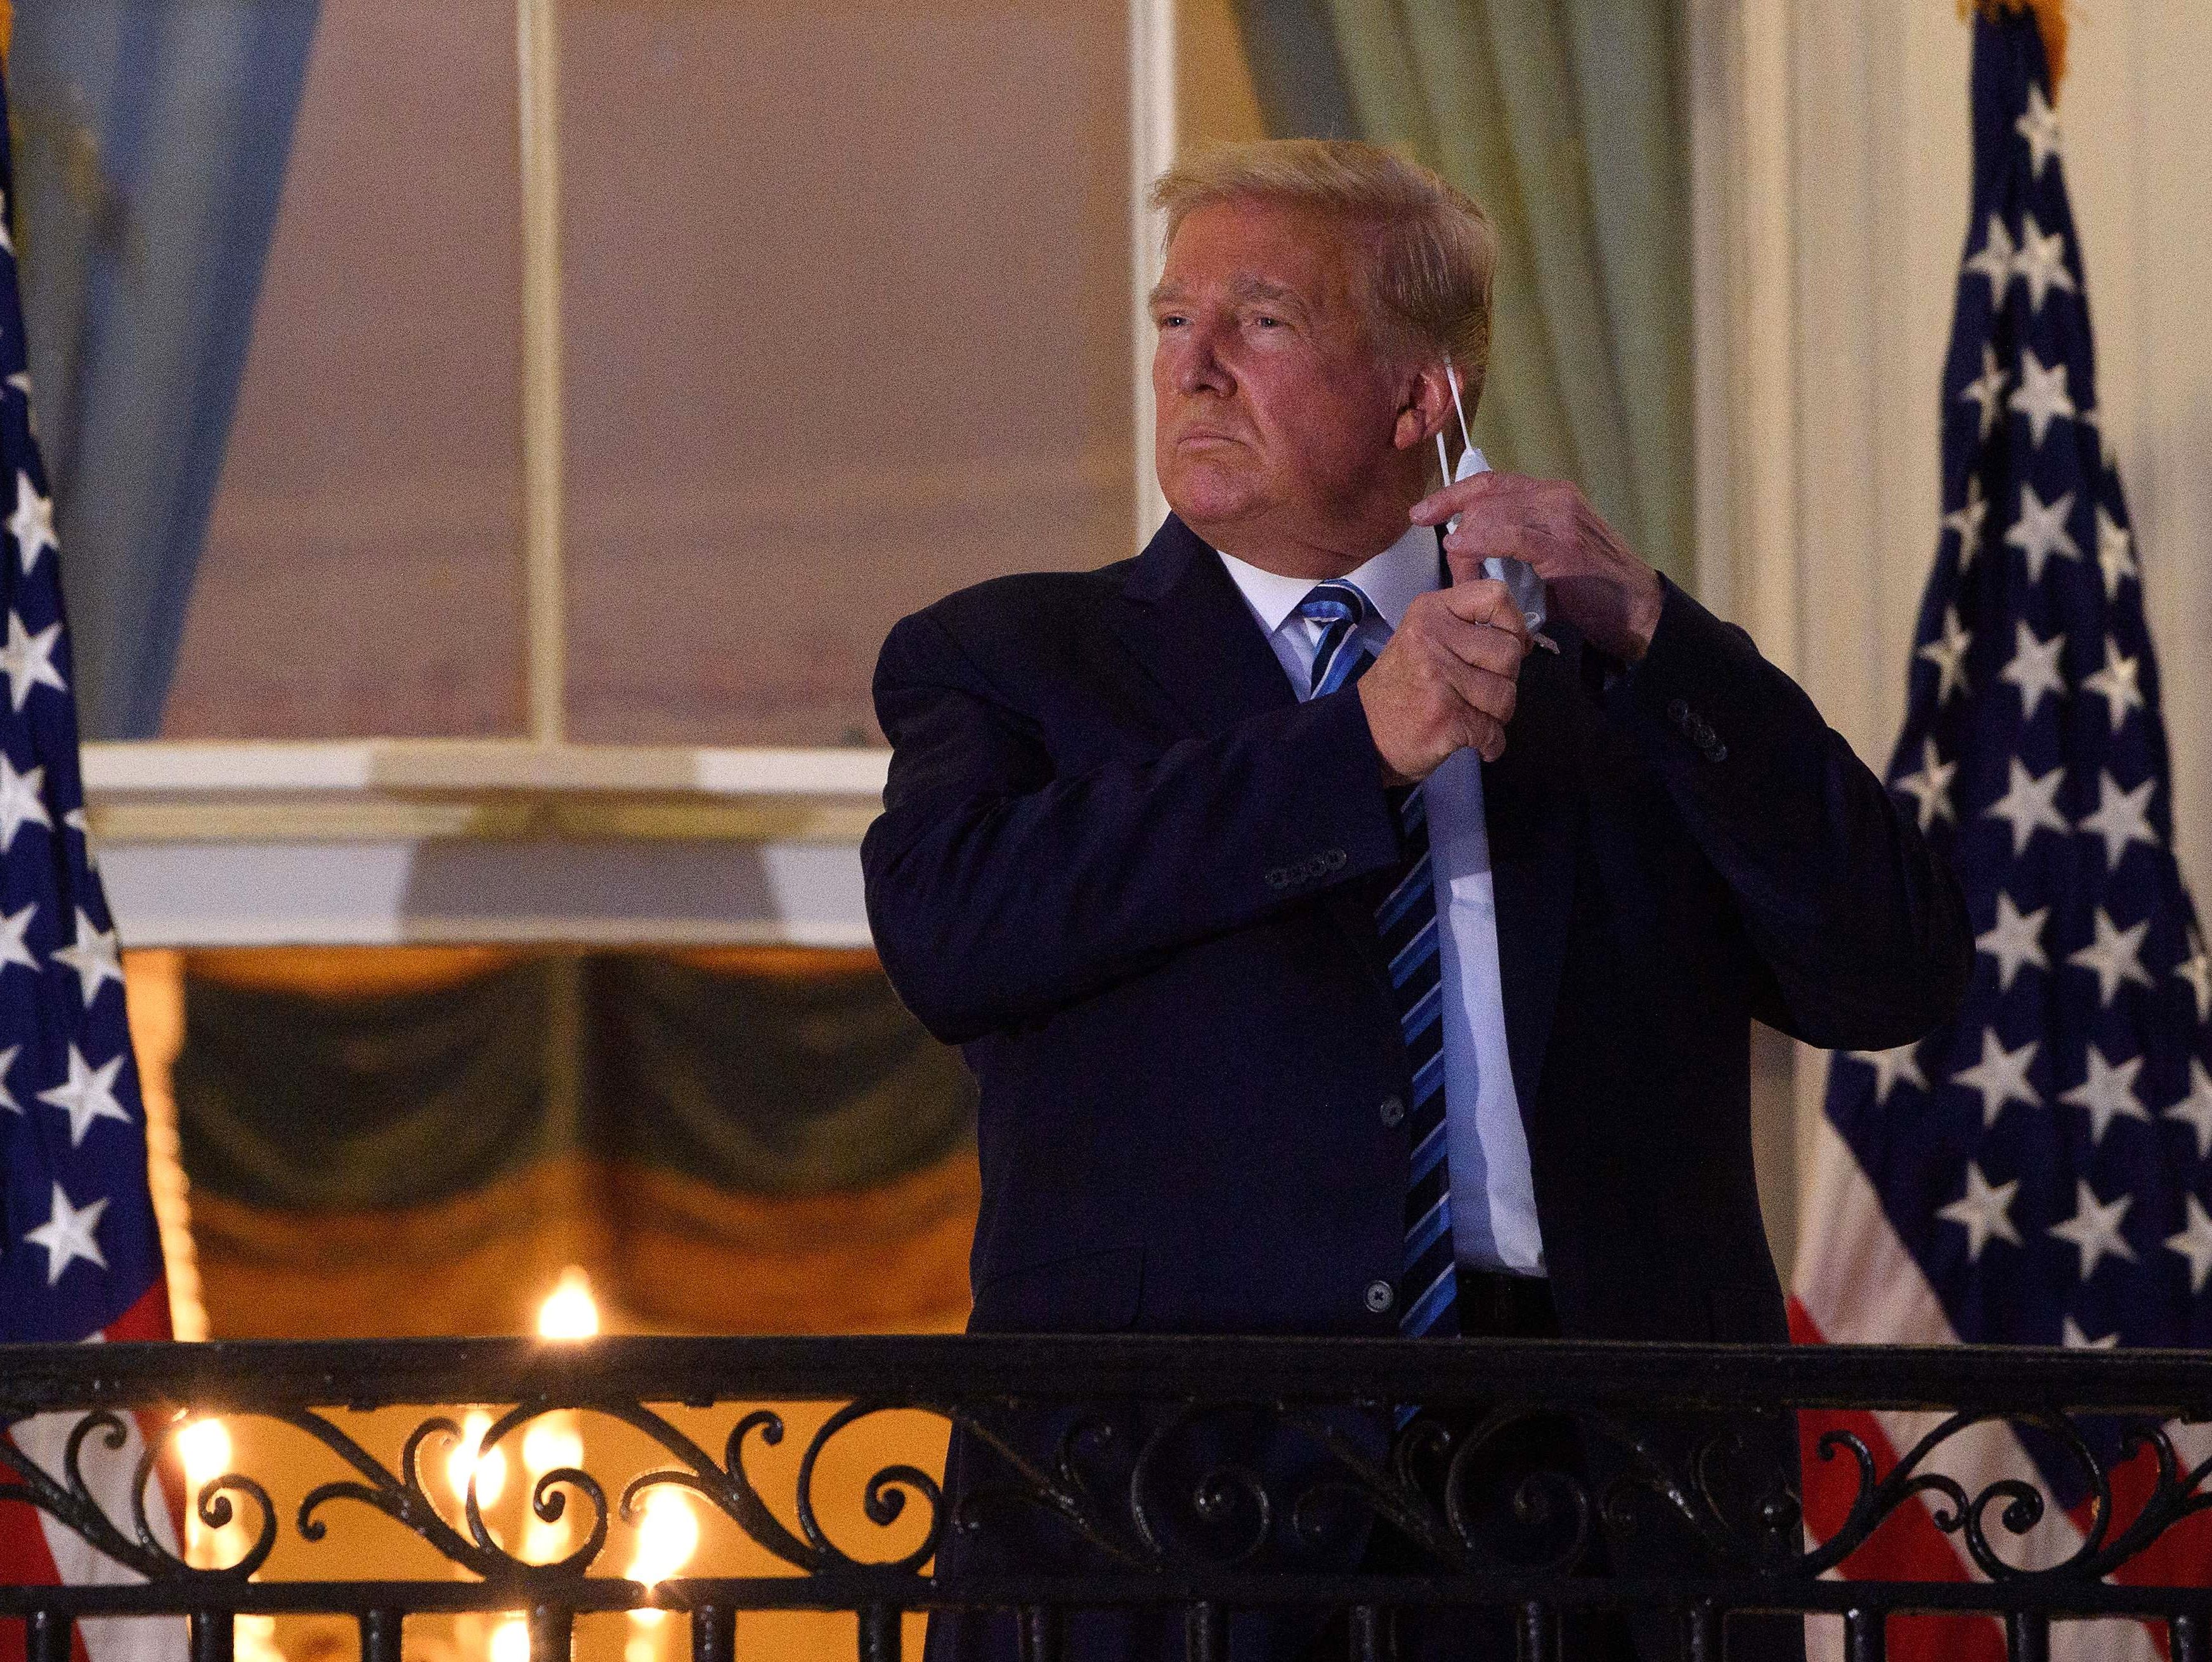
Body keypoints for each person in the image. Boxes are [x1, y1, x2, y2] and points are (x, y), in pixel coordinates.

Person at [861, 140, 1971, 1662]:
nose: (1191, 371)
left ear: (1421, 399)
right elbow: (949, 935)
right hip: (1173, 1503)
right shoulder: (1012, 661)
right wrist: (1352, 746)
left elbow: (1892, 970)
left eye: (1258, 323)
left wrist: (1658, 632)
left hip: (1597, 1503)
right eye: (1171, 321)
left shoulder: (1616, 690)